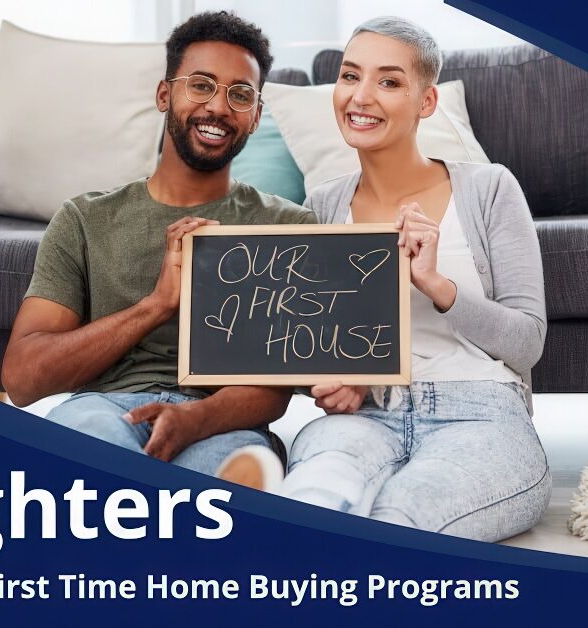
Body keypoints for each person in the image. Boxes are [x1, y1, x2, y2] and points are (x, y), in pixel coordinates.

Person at [218, 16, 551, 542]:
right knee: (318, 493)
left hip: (479, 412)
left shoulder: (488, 189)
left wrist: (436, 284)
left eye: (389, 81)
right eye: (350, 76)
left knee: (402, 515)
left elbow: (527, 343)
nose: (361, 96)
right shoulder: (324, 203)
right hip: (365, 416)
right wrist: (332, 381)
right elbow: (312, 340)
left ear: (426, 102)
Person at [1, 11, 315, 475]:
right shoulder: (85, 219)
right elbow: (22, 379)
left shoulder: (288, 227)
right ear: (165, 94)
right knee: (89, 441)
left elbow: (280, 383)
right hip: (106, 409)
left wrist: (195, 418)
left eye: (240, 94)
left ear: (256, 117)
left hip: (220, 421)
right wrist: (157, 305)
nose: (219, 107)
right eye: (202, 84)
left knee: (231, 474)